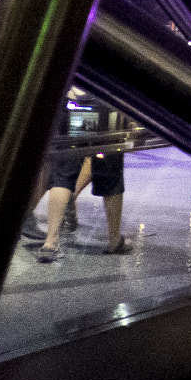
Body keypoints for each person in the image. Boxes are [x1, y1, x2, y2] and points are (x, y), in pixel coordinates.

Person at [36, 95, 129, 261]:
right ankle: (114, 241)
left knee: (62, 177)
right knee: (111, 175)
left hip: (73, 107)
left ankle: (50, 243)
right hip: (106, 109)